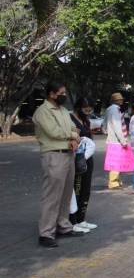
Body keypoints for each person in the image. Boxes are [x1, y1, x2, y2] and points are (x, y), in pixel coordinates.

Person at [33, 80, 84, 248]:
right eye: (61, 94)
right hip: (53, 155)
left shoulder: (62, 110)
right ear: (51, 94)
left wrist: (74, 139)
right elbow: (53, 132)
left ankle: (63, 226)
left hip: (68, 153)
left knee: (65, 193)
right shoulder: (43, 111)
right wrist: (72, 135)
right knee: (52, 195)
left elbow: (74, 129)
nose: (63, 96)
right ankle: (46, 233)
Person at [68, 97, 98, 232]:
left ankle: (82, 218)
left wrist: (91, 133)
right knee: (77, 189)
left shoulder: (85, 120)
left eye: (90, 110)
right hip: (77, 158)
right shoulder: (70, 118)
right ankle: (73, 220)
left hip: (87, 157)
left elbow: (87, 136)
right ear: (78, 108)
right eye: (85, 110)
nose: (88, 112)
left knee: (86, 189)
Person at [104, 92, 128, 189]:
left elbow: (104, 123)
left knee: (117, 162)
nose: (121, 101)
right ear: (117, 101)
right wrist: (123, 141)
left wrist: (106, 131)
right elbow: (118, 127)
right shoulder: (115, 110)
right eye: (120, 100)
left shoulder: (110, 110)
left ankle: (118, 181)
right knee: (115, 163)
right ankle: (113, 183)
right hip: (116, 141)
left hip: (112, 139)